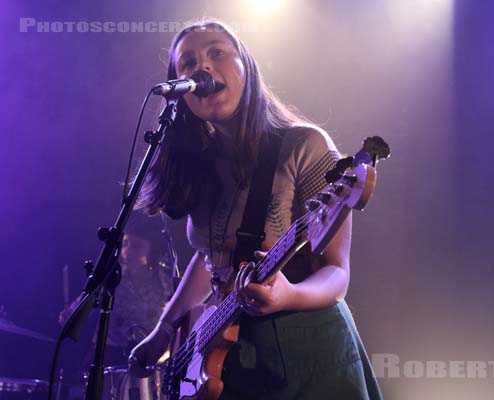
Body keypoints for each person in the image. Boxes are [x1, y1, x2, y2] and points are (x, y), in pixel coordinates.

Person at [128, 19, 382, 399]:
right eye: (188, 62)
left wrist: (287, 295)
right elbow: (212, 255)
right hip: (235, 359)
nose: (203, 67)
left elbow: (337, 273)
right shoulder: (203, 161)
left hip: (309, 353)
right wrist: (165, 328)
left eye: (217, 53)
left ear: (246, 66)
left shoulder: (303, 145)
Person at [59, 232, 172, 366]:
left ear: (150, 251)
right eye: (125, 244)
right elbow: (82, 307)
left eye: (135, 246)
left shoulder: (165, 282)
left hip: (147, 355)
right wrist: (71, 316)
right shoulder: (111, 277)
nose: (127, 250)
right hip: (109, 354)